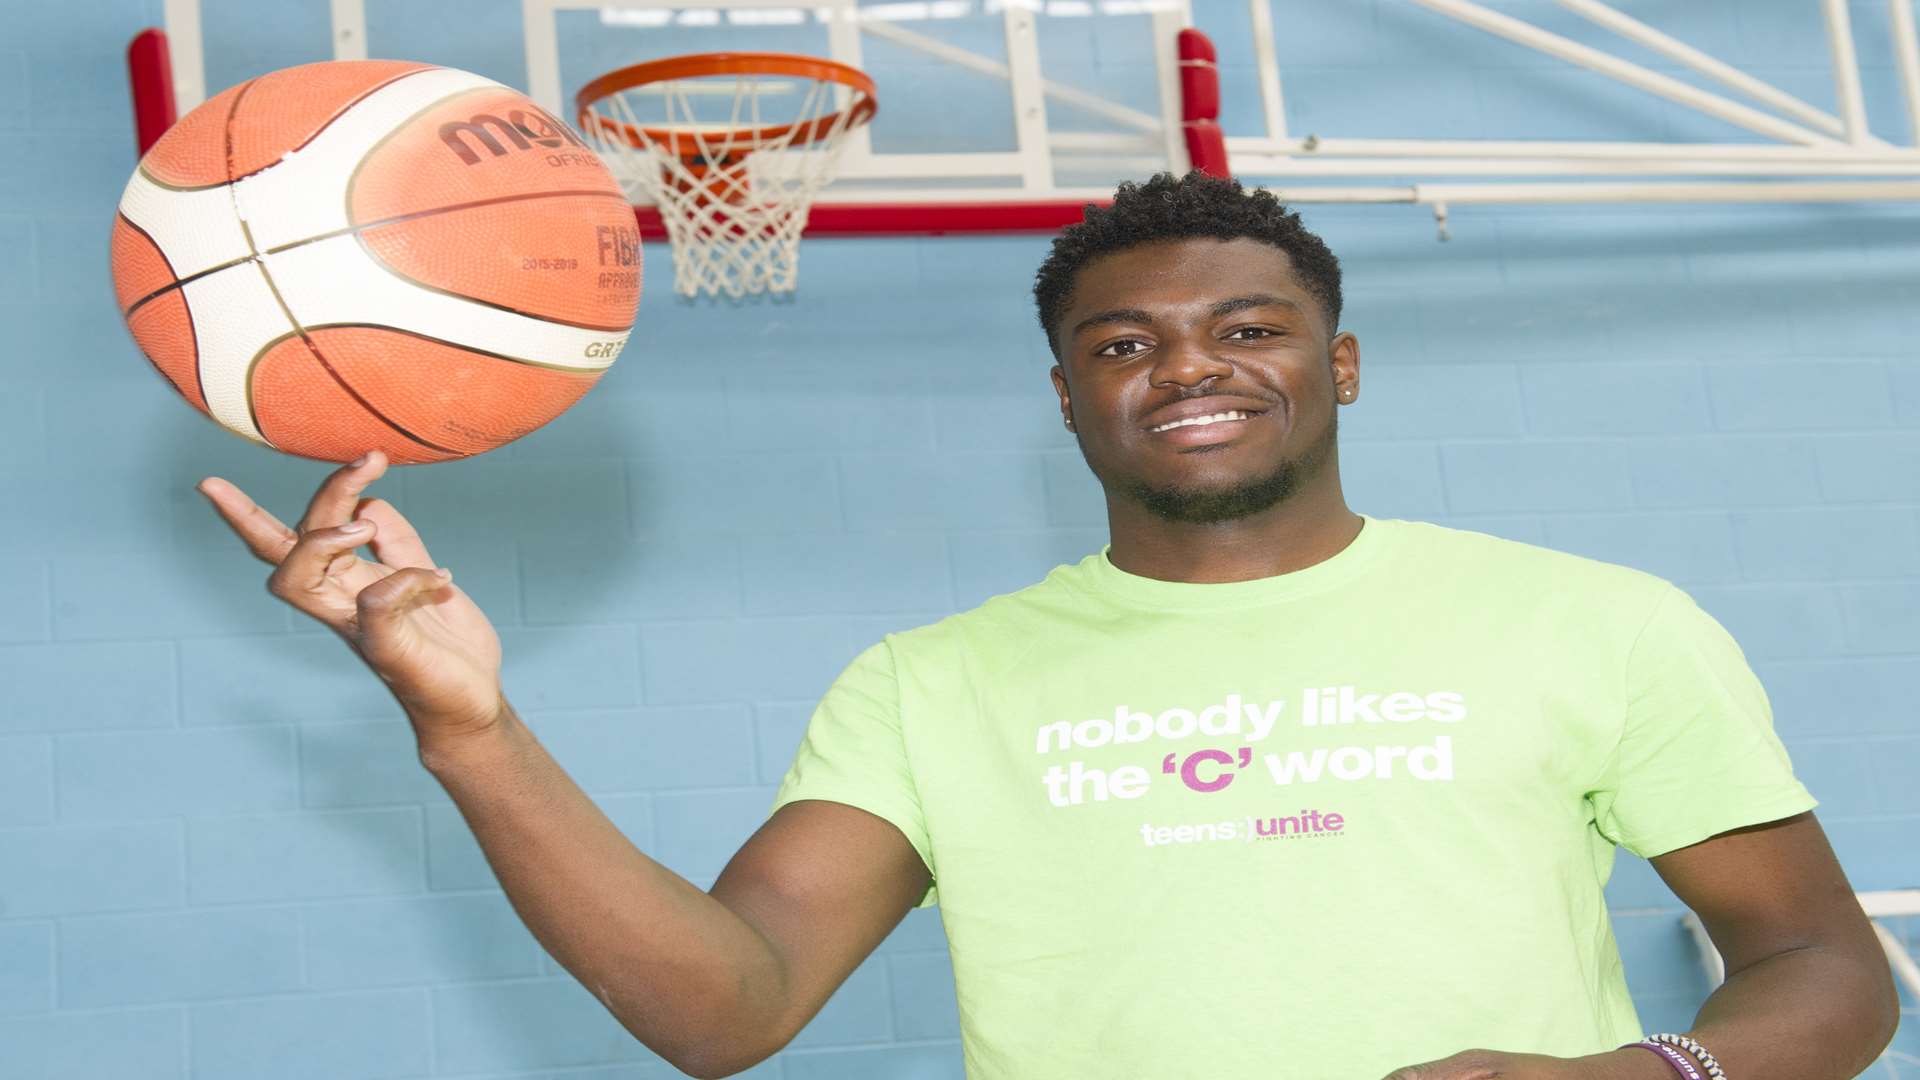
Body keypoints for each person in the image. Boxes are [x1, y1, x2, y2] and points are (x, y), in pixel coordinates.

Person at [199, 172, 1899, 1080]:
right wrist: (469, 727)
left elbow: (1828, 967)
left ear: (1339, 365)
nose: (1191, 369)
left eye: (1251, 327)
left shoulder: (1593, 622)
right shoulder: (931, 687)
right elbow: (727, 1009)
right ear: (1069, 399)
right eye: (1122, 345)